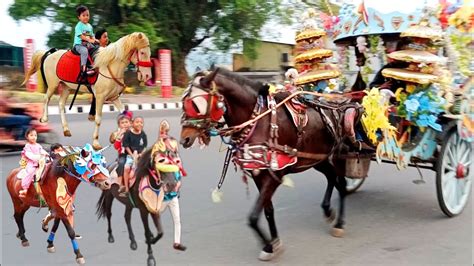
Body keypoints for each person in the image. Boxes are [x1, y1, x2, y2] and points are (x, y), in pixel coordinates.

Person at [153, 120, 187, 251]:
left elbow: (178, 172)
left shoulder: (175, 162)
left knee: (177, 219)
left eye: (166, 131)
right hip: (163, 194)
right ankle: (157, 232)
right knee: (155, 212)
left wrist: (179, 183)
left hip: (173, 195)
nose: (172, 150)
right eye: (162, 131)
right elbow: (155, 170)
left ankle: (177, 242)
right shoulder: (159, 155)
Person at [41, 143, 82, 239]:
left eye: (61, 149)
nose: (60, 151)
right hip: (57, 189)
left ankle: (72, 231)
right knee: (54, 214)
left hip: (65, 188)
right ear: (53, 151)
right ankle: (45, 221)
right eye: (57, 150)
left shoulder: (65, 159)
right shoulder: (53, 161)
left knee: (70, 211)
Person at [17, 128, 48, 197]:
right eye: (31, 135)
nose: (34, 137)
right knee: (30, 172)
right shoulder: (27, 146)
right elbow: (30, 155)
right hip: (32, 163)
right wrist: (39, 157)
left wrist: (46, 154)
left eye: (35, 135)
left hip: (40, 162)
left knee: (48, 169)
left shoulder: (38, 145)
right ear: (27, 137)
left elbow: (42, 151)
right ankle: (25, 188)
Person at [121, 116, 147, 196]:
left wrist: (141, 154)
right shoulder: (128, 134)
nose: (139, 124)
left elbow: (145, 146)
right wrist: (132, 155)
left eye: (141, 122)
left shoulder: (143, 134)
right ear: (132, 124)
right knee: (126, 168)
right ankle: (126, 188)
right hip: (130, 156)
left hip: (140, 156)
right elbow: (126, 145)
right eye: (137, 122)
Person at [109, 111, 132, 191]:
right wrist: (119, 136)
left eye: (126, 122)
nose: (125, 124)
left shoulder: (133, 132)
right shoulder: (119, 134)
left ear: (130, 123)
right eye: (122, 123)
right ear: (119, 125)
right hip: (124, 155)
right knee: (122, 163)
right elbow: (116, 147)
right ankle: (120, 183)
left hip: (134, 154)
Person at [73, 5, 97, 77]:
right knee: (84, 51)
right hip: (79, 45)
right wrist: (89, 40)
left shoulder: (89, 26)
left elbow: (92, 35)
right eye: (83, 15)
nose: (86, 17)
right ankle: (84, 69)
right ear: (79, 17)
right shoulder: (79, 26)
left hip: (87, 44)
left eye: (87, 15)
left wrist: (94, 40)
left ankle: (94, 65)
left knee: (96, 49)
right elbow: (80, 35)